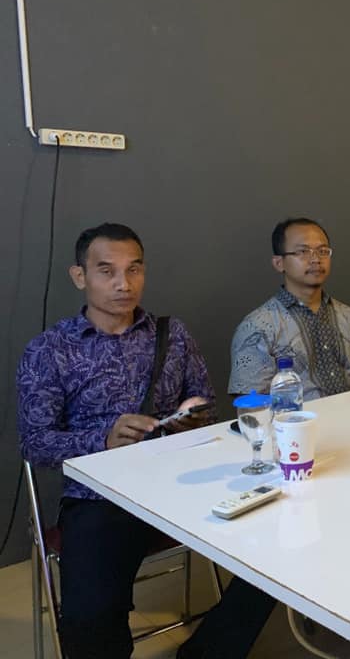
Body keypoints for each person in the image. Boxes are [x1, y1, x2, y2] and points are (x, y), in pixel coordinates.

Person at [16, 223, 275, 659]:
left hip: (179, 480)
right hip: (100, 497)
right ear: (80, 276)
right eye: (107, 271)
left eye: (134, 269)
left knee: (276, 548)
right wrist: (104, 438)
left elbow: (207, 410)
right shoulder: (49, 350)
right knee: (91, 614)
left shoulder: (172, 335)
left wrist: (190, 417)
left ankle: (208, 651)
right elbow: (35, 443)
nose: (124, 283)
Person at [230, 218, 350, 399]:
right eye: (303, 251)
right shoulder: (257, 327)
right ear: (279, 263)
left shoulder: (348, 317)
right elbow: (250, 403)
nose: (316, 259)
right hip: (292, 417)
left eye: (323, 251)